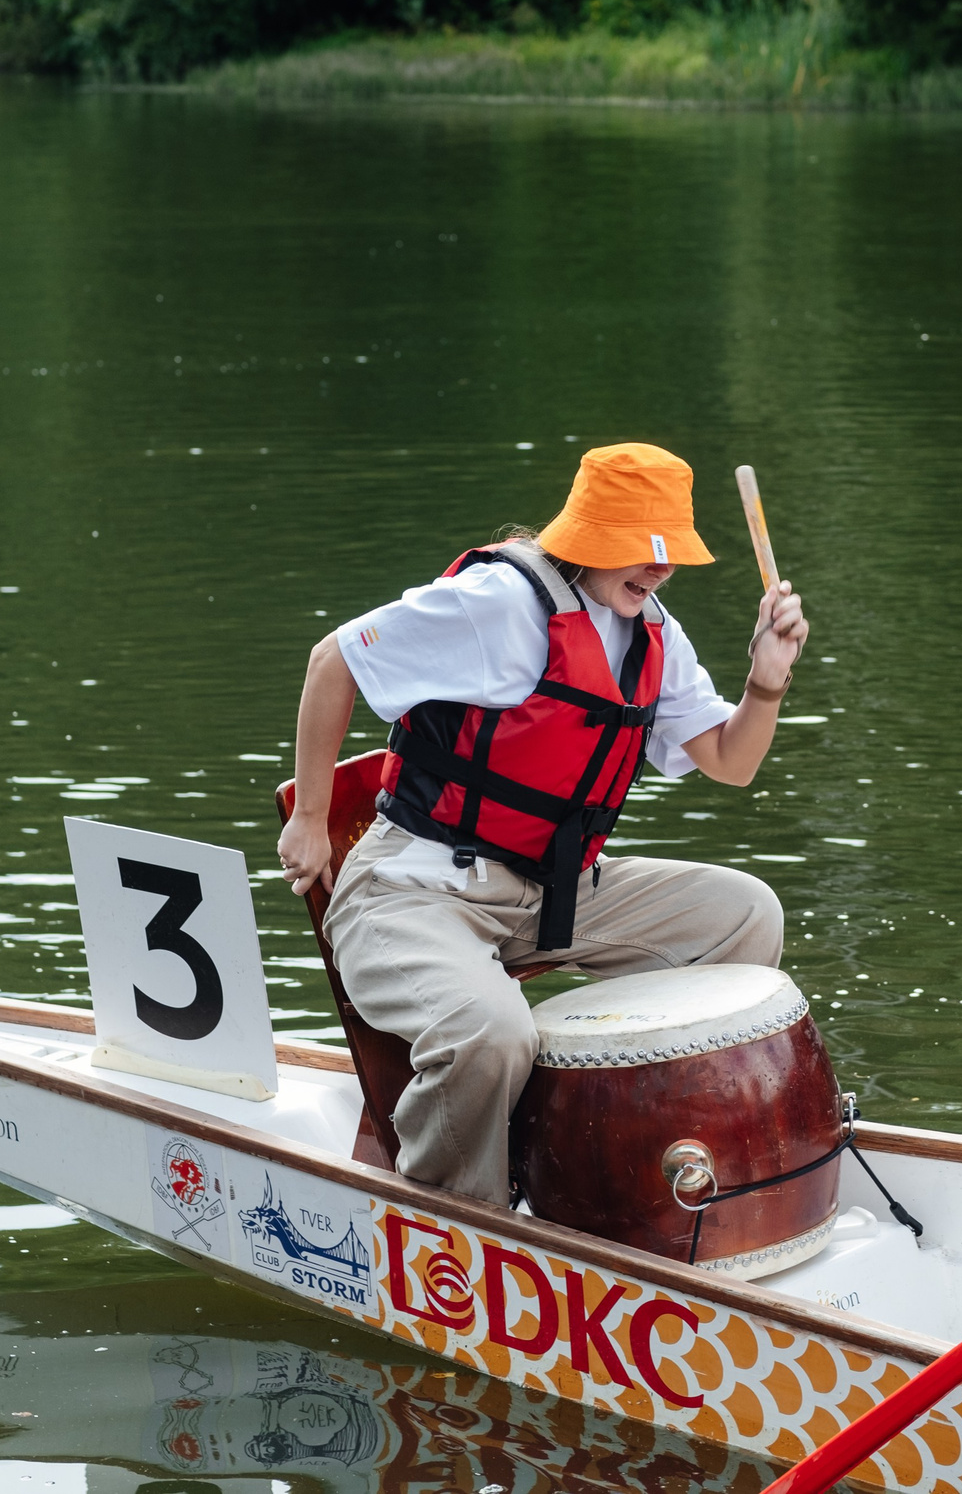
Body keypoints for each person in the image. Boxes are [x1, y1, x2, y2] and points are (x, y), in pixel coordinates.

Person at [275, 442, 810, 1206]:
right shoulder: (498, 602)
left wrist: (766, 682)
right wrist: (314, 819)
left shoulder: (653, 632)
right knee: (490, 1034)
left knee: (745, 919)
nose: (660, 570)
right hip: (411, 891)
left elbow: (731, 760)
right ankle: (449, 1212)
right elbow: (335, 659)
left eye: (670, 555)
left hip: (549, 893)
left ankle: (634, 1151)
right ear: (589, 534)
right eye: (642, 549)